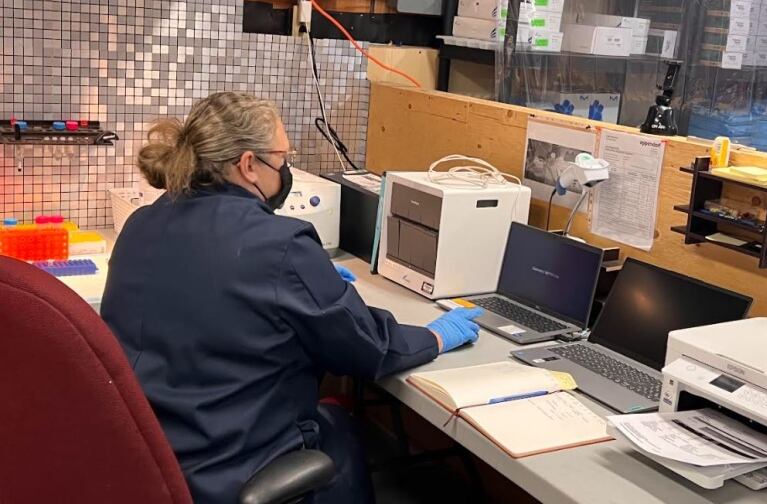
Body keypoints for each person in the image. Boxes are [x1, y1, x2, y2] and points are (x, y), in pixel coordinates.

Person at [101, 92, 484, 504]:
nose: (286, 171)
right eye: (282, 159)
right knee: (343, 431)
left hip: (151, 462)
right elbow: (367, 347)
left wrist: (306, 280)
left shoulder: (141, 222)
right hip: (230, 469)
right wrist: (437, 336)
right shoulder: (280, 243)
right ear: (248, 165)